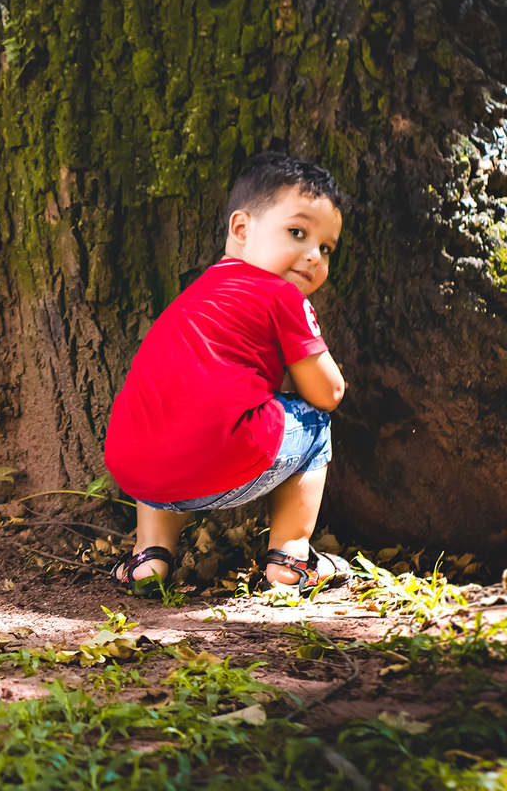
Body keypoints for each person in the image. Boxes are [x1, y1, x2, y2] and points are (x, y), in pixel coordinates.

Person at [103, 152, 351, 598]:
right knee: (314, 421)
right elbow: (328, 392)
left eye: (326, 248)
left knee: (162, 418)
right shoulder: (282, 296)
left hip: (133, 463)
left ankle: (149, 556)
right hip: (224, 458)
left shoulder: (195, 294)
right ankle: (290, 560)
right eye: (298, 233)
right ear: (241, 229)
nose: (313, 256)